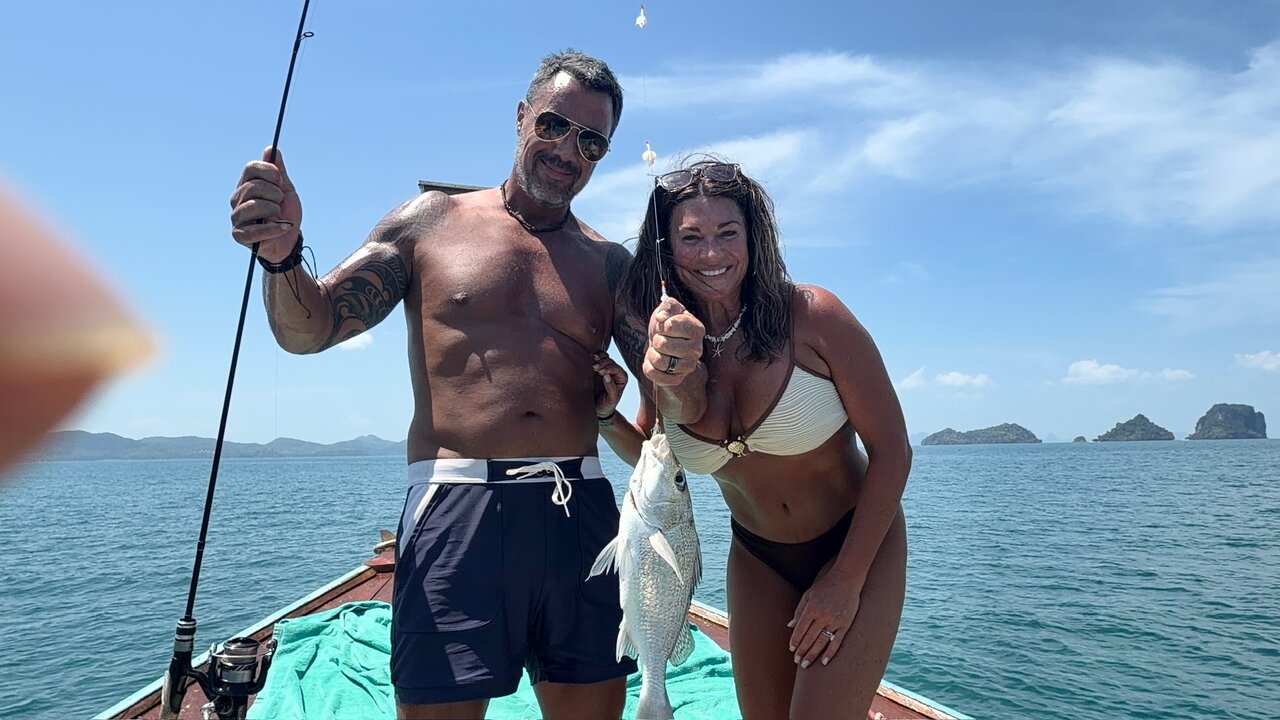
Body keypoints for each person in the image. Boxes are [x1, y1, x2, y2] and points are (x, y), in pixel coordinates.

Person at [228, 50, 637, 720]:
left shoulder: (610, 263)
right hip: (458, 503)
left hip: (581, 511)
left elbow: (679, 399)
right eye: (555, 125)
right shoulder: (430, 221)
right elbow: (312, 328)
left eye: (591, 141)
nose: (569, 150)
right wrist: (280, 256)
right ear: (521, 116)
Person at [594, 159, 912, 719]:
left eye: (727, 233)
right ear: (667, 250)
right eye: (691, 237)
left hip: (855, 542)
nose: (712, 254)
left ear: (753, 238)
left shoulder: (814, 318)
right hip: (757, 558)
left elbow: (892, 450)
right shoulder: (666, 346)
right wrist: (604, 415)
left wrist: (845, 580)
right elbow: (651, 455)